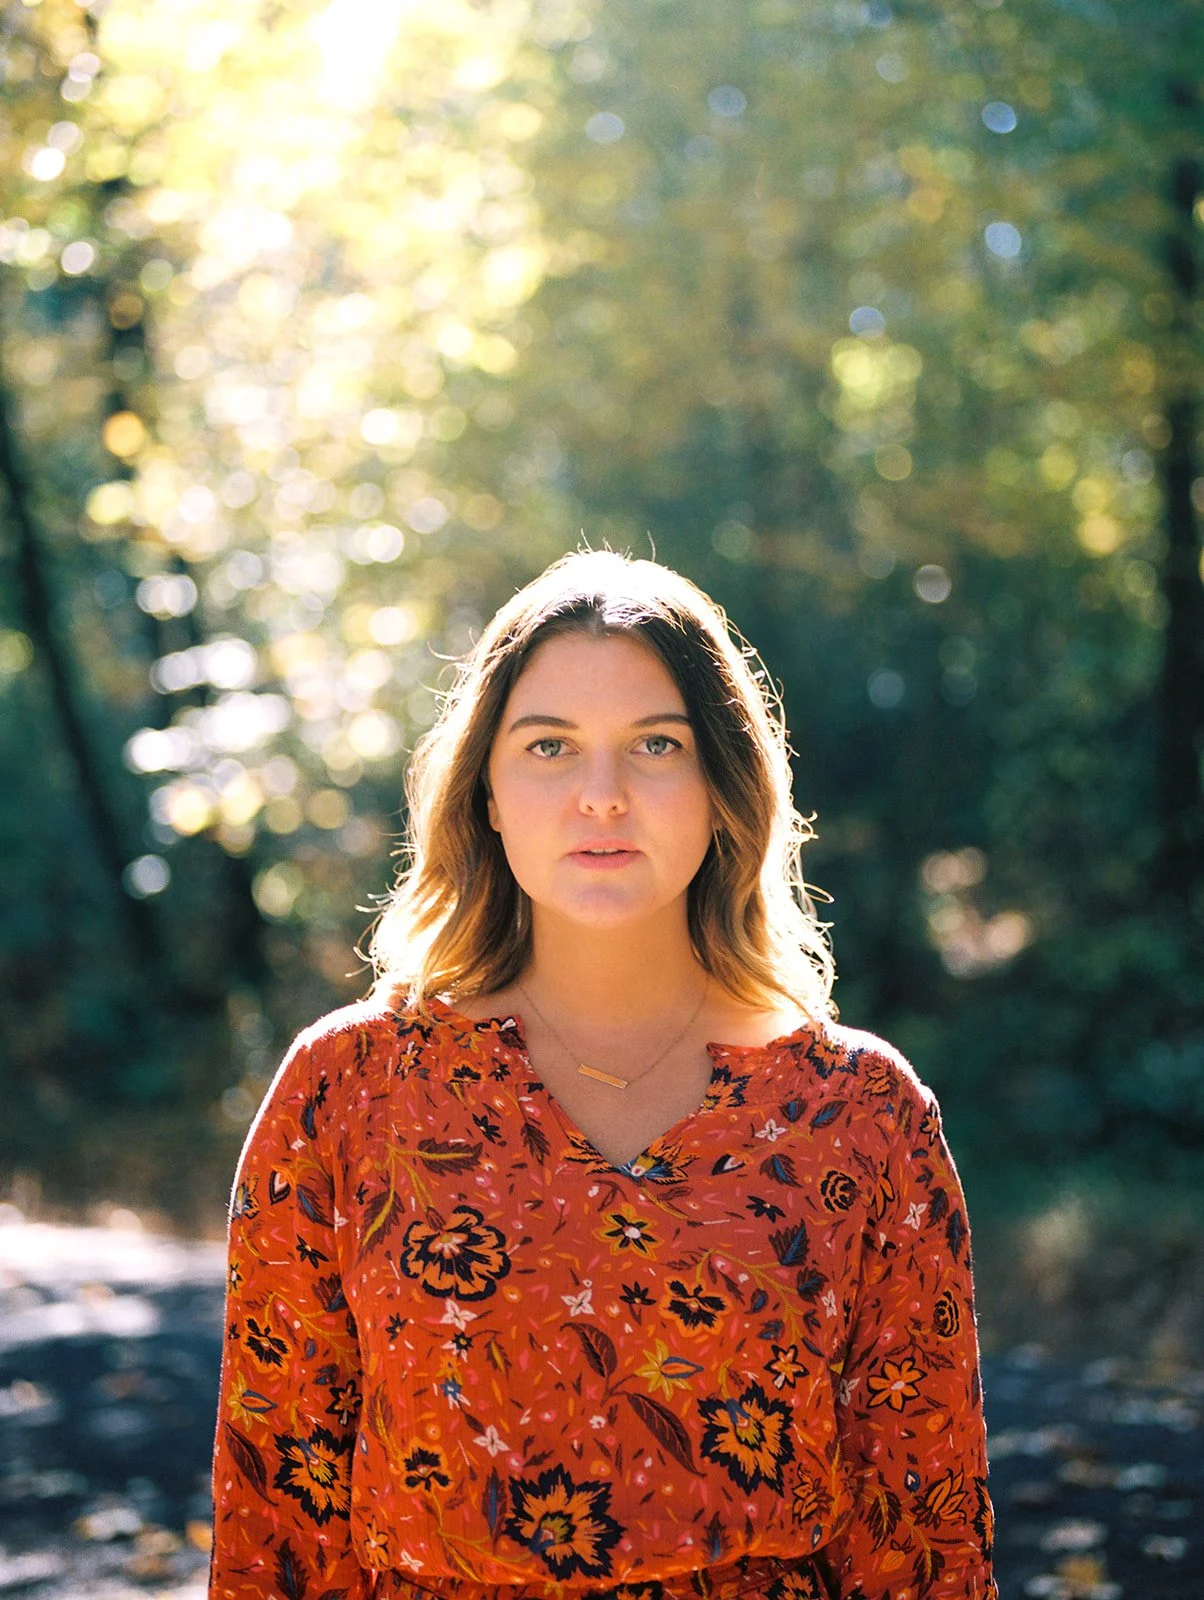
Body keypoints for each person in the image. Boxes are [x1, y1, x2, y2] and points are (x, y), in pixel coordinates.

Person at [209, 550, 996, 1600]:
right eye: (549, 746)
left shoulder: (860, 1112)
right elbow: (276, 1530)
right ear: (485, 789)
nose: (601, 796)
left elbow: (924, 1532)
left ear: (723, 786)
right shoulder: (349, 1093)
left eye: (655, 745)